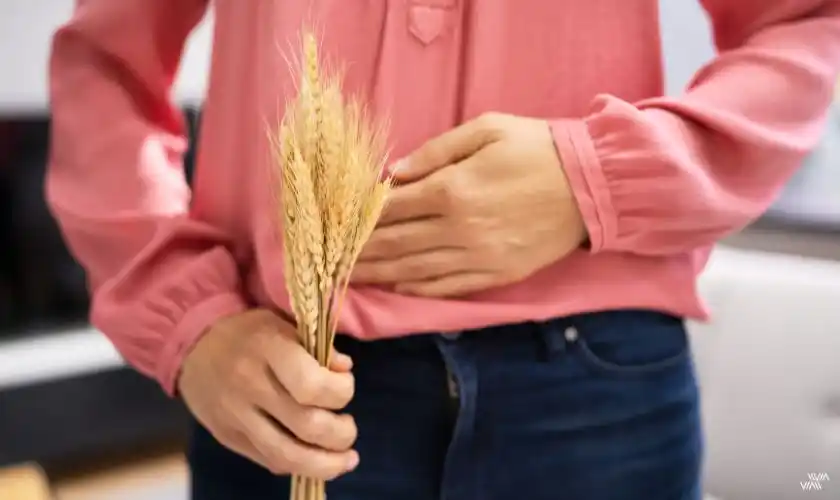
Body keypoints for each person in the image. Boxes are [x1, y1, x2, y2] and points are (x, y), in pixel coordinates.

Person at [47, 1, 840, 499]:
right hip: (290, 395)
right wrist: (189, 322)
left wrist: (596, 177)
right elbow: (105, 65)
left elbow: (808, 21)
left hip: (597, 396)